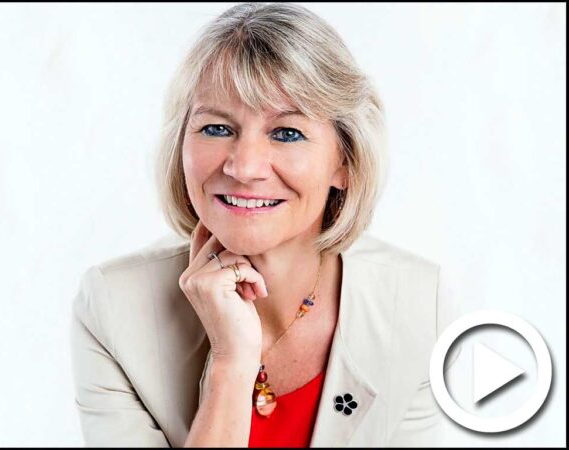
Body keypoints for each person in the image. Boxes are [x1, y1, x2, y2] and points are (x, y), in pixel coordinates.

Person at [70, 2, 460, 447]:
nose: (244, 167)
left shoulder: (415, 305)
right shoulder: (115, 306)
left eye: (287, 133)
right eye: (217, 128)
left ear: (345, 163)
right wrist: (231, 363)